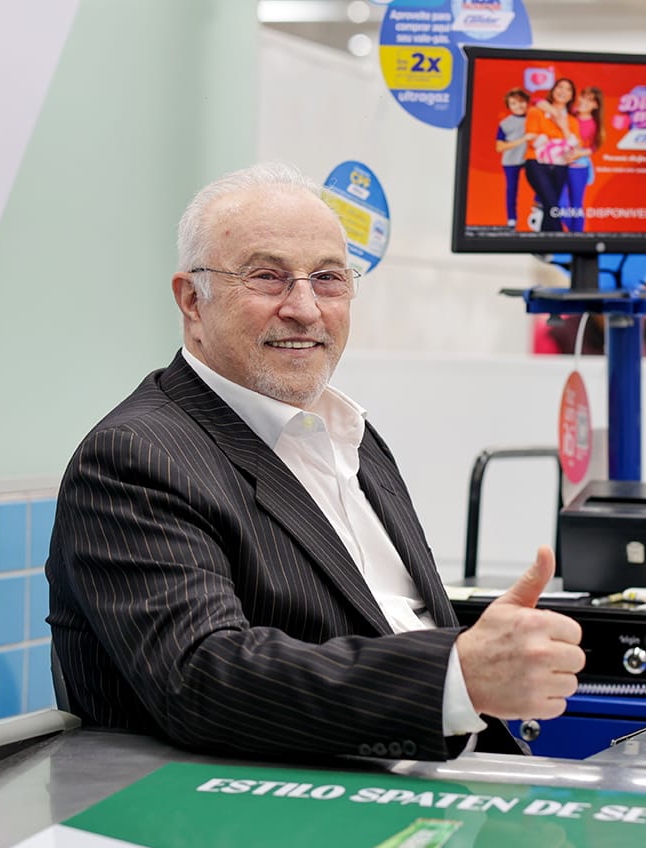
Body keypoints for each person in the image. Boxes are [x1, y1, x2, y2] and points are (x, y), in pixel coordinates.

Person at [45, 162, 585, 762]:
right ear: (191, 300)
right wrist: (455, 678)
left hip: (426, 790)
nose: (305, 308)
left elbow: (386, 619)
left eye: (328, 278)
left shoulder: (348, 434)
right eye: (268, 278)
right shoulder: (135, 458)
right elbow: (203, 677)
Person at [523, 78, 580, 232]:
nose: (563, 91)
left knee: (550, 208)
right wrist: (557, 141)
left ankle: (544, 247)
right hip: (537, 163)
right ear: (553, 90)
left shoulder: (572, 121)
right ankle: (561, 241)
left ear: (571, 96)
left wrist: (563, 126)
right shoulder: (536, 111)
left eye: (568, 89)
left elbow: (574, 145)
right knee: (552, 204)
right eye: (560, 87)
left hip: (560, 166)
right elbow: (533, 139)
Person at [560, 86, 603, 232]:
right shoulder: (569, 115)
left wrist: (580, 154)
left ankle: (577, 237)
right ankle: (575, 234)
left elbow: (594, 147)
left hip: (578, 168)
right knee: (558, 204)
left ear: (595, 105)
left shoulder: (593, 124)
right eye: (583, 97)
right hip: (560, 164)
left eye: (589, 100)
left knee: (576, 206)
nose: (584, 101)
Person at [495, 87, 531, 228]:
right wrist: (522, 140)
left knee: (542, 184)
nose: (518, 106)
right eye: (513, 103)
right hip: (511, 160)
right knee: (511, 190)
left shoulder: (533, 118)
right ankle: (511, 219)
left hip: (529, 159)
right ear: (509, 106)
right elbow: (499, 147)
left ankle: (540, 213)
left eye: (521, 102)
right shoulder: (505, 124)